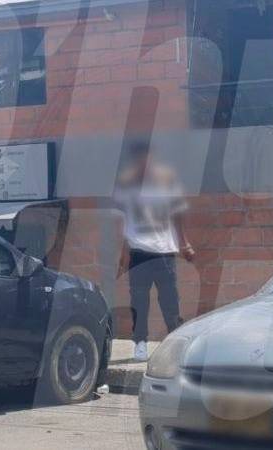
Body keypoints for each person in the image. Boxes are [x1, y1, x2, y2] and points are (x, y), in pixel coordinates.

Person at [113, 140, 195, 362]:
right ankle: (140, 343)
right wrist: (124, 253)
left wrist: (184, 243)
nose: (144, 162)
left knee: (170, 301)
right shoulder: (126, 183)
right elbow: (122, 220)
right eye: (140, 158)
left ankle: (174, 343)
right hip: (139, 252)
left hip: (164, 252)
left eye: (147, 157)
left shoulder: (167, 180)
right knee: (139, 301)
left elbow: (178, 214)